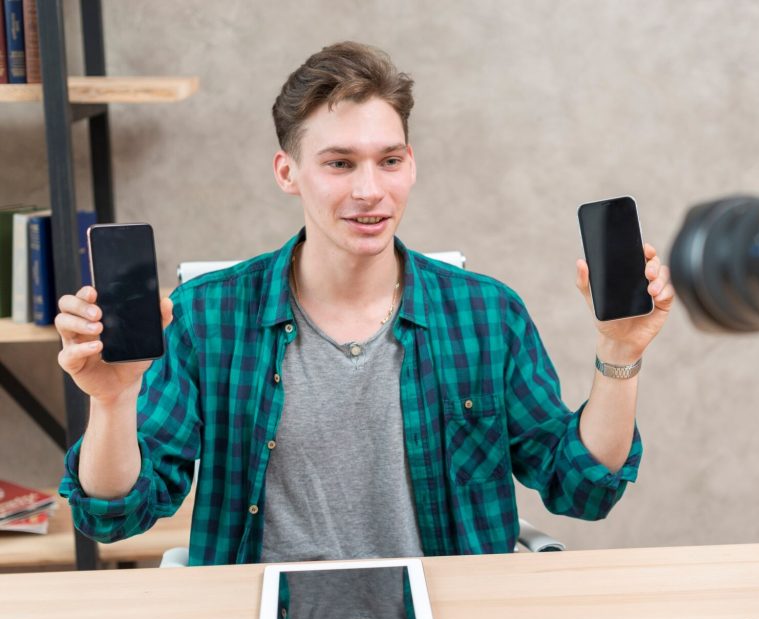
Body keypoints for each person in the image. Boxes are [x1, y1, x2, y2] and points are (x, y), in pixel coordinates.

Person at [56, 42, 674, 566]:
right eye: (339, 163)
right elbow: (116, 516)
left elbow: (583, 489)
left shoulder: (488, 315)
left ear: (411, 165)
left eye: (390, 160)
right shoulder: (203, 318)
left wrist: (619, 352)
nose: (369, 191)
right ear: (287, 171)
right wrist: (112, 402)